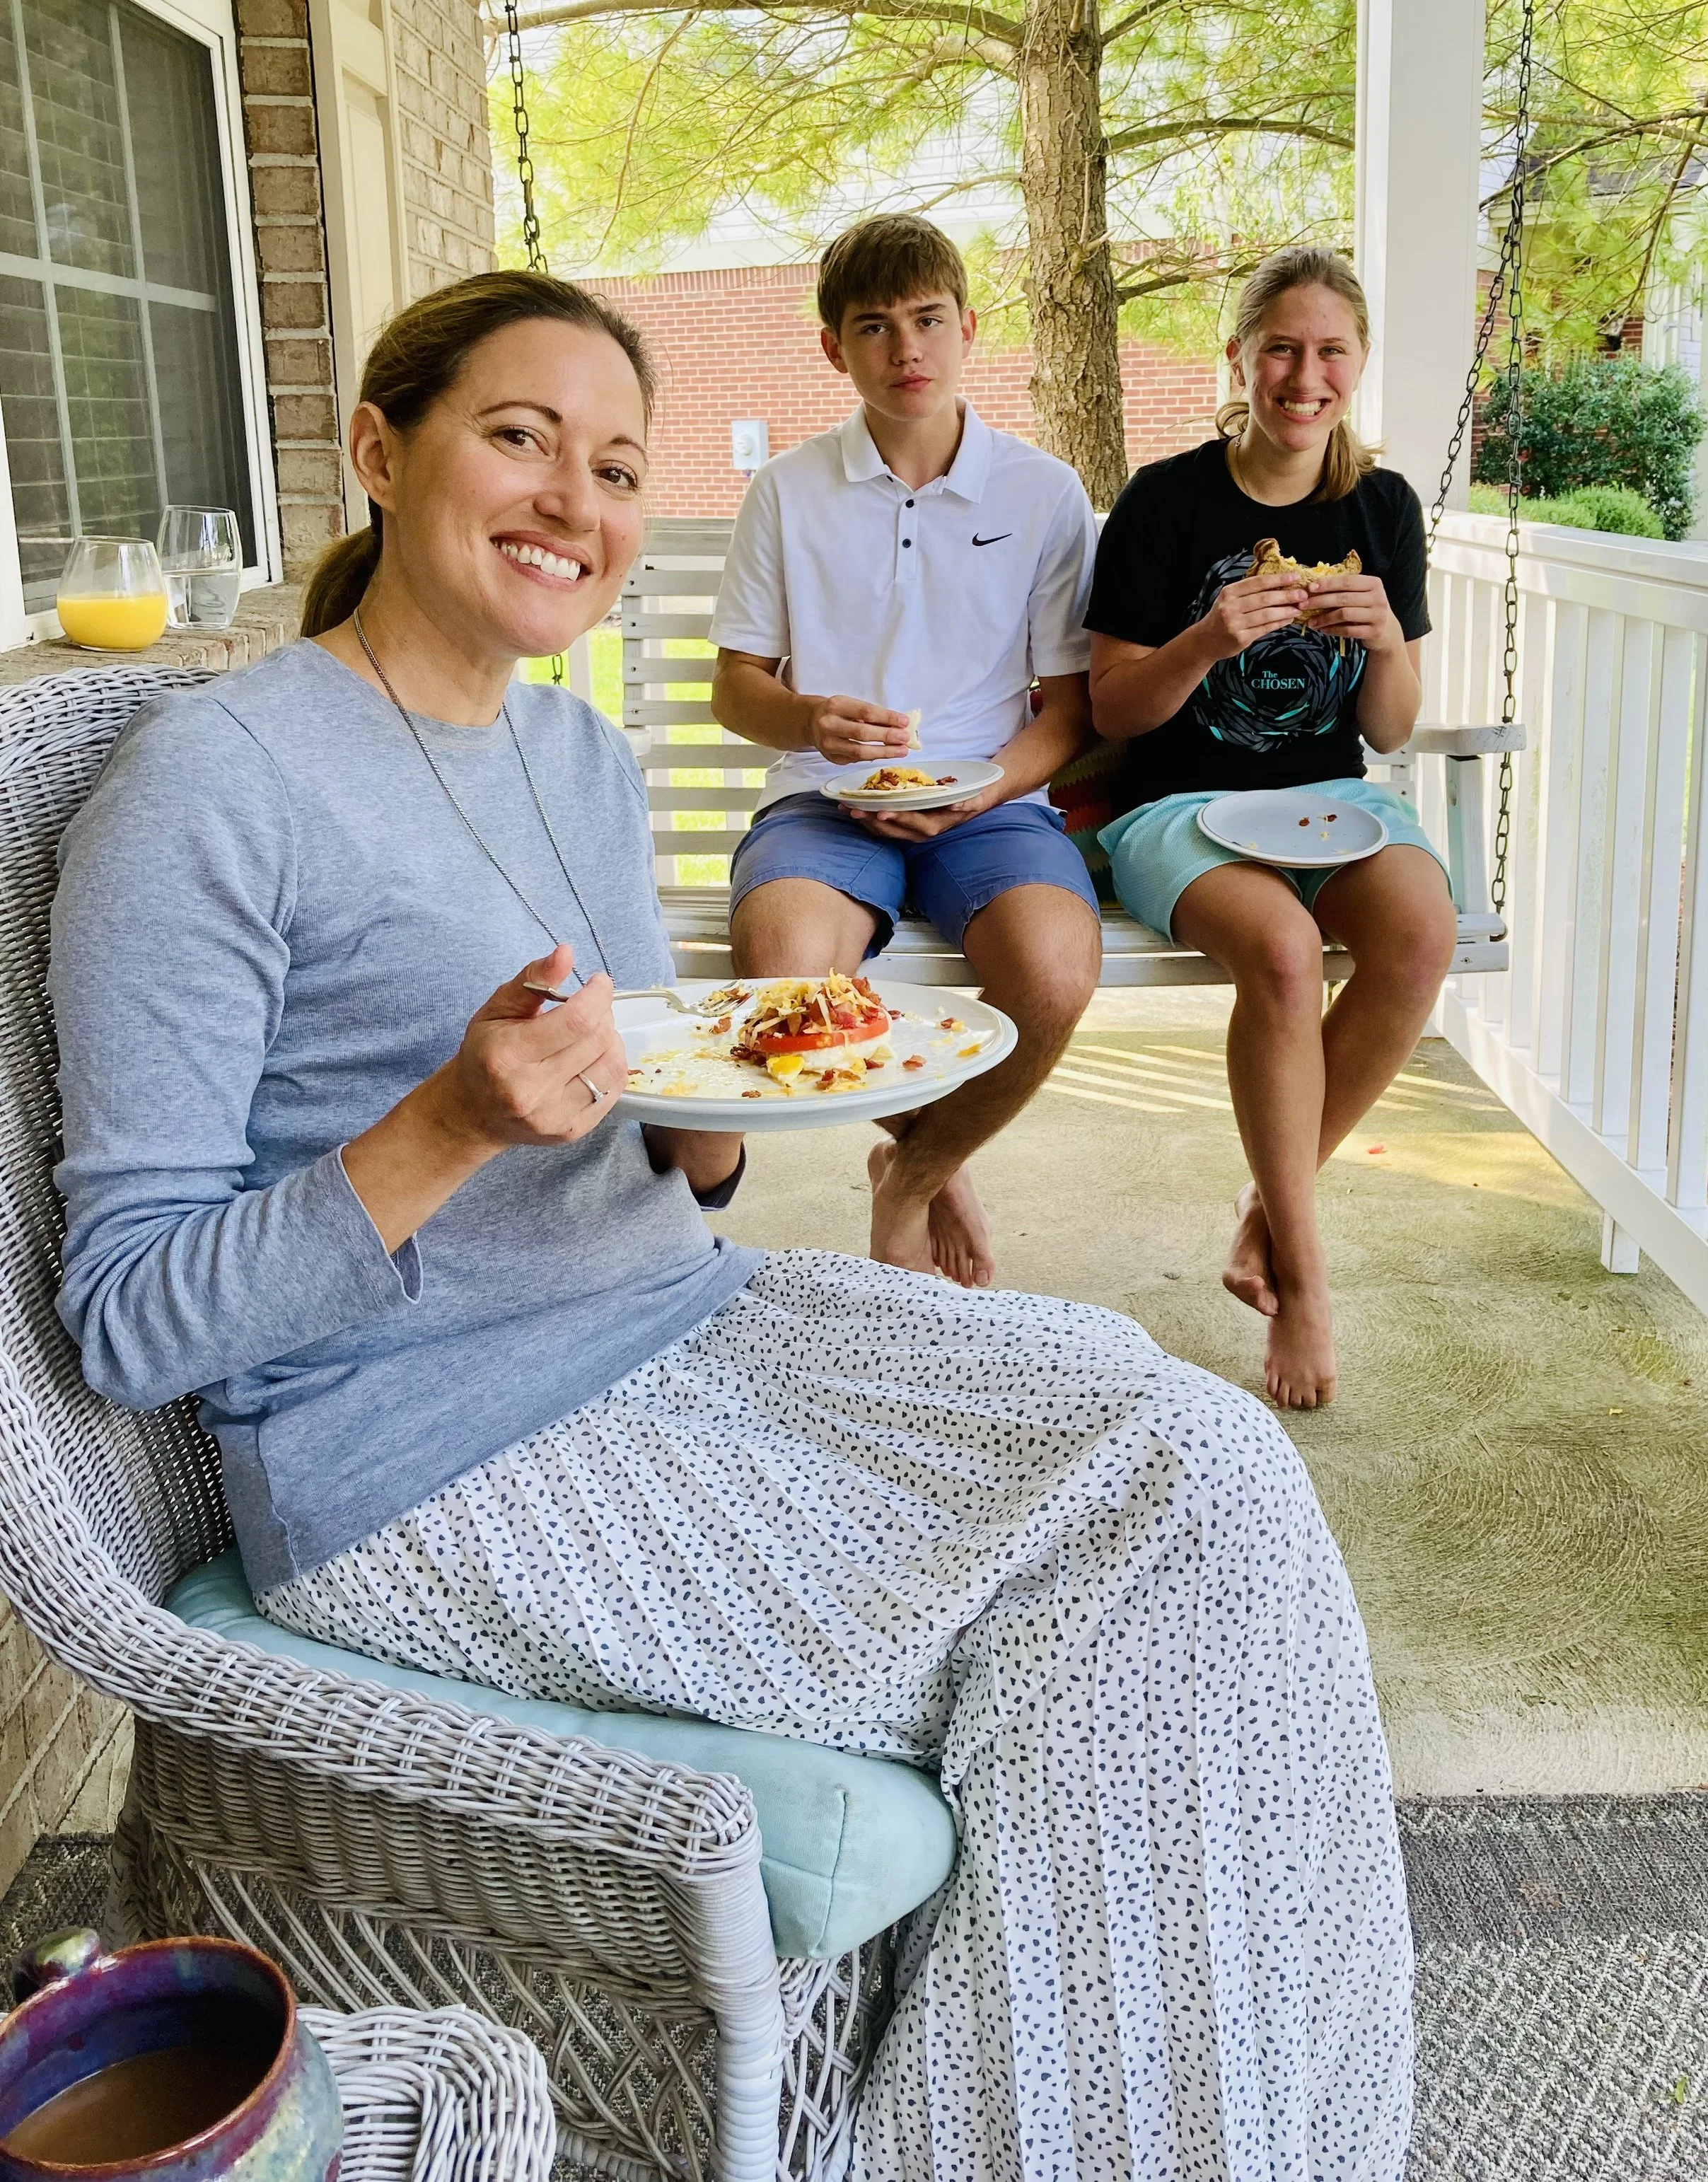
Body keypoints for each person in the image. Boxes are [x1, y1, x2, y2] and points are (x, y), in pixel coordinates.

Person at [51, 268, 1412, 2178]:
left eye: (613, 466)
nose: (574, 503)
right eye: (517, 437)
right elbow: (122, 1318)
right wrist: (445, 1123)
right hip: (427, 1457)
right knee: (1120, 1609)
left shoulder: (576, 758)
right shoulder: (214, 785)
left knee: (1193, 1453)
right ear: (379, 450)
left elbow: (667, 1142)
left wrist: (705, 1123)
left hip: (676, 1322)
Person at [1087, 246, 1459, 1414]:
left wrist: (1387, 639)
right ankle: (1305, 1280)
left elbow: (1391, 725)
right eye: (1282, 350)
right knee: (1286, 958)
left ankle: (1268, 1205)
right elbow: (1112, 710)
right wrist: (1207, 636)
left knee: (1417, 943)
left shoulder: (1381, 508)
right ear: (1241, 359)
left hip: (1334, 801)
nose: (1306, 376)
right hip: (1181, 809)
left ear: (1357, 366)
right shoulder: (1165, 500)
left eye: (1331, 351)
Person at [709, 214, 1102, 1290]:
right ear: (835, 349)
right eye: (873, 327)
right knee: (787, 974)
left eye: (928, 320)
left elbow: (1066, 716)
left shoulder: (1042, 493)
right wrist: (806, 721)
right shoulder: (787, 492)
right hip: (824, 800)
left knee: (1057, 976)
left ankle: (915, 1174)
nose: (905, 350)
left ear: (970, 328)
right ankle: (940, 1160)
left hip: (996, 802)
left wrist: (982, 796)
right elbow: (734, 688)